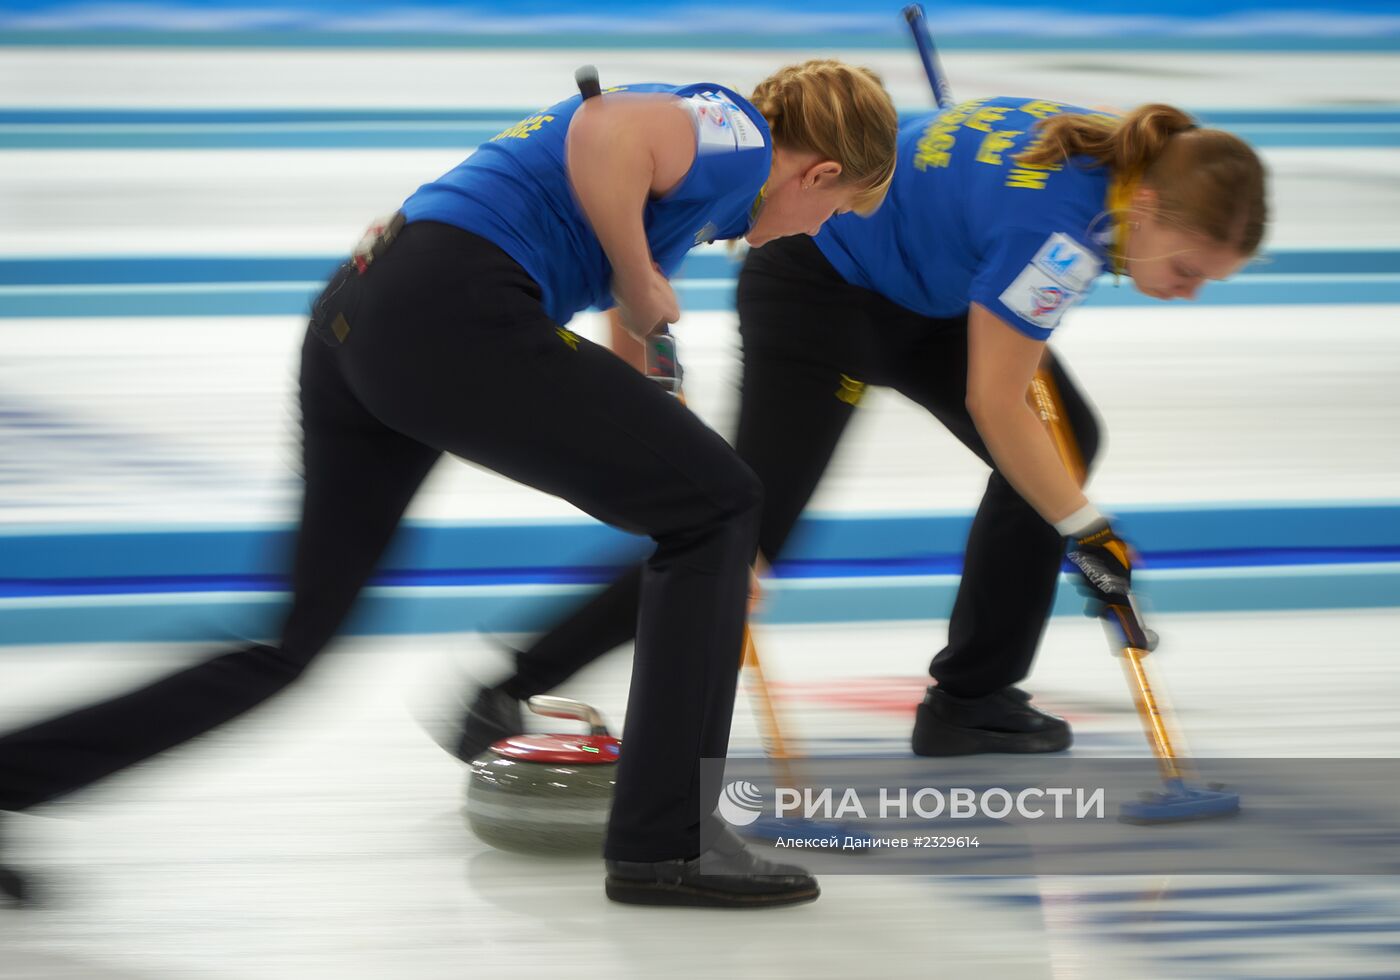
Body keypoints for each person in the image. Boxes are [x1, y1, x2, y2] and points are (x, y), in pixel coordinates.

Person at [0, 60, 900, 910]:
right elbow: (605, 131)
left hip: (362, 315)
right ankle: (669, 844)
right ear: (818, 174)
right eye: (837, 214)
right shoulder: (734, 136)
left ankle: (12, 777)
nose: (818, 234)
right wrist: (705, 485)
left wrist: (691, 480)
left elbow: (637, 351)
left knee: (291, 645)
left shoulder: (702, 192)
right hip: (450, 313)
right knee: (725, 501)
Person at [452, 97, 1268, 763]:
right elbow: (997, 400)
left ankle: (972, 699)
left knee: (1060, 449)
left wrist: (1071, 515)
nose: (1186, 292)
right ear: (1150, 207)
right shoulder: (1060, 237)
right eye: (1188, 271)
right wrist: (1087, 532)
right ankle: (512, 682)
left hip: (925, 293)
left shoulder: (1110, 152)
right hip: (820, 289)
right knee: (742, 524)